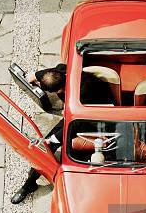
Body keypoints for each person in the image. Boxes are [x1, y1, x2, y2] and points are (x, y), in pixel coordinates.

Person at [10, 64, 114, 204]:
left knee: (56, 144)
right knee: (44, 148)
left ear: (59, 90)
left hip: (95, 115)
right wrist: (34, 76)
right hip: (76, 114)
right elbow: (47, 74)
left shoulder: (82, 93)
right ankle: (30, 184)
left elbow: (75, 122)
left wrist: (53, 139)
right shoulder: (62, 71)